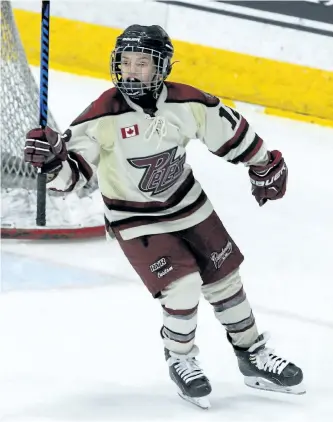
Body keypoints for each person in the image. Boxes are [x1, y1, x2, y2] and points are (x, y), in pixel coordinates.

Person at [24, 24, 305, 408]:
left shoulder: (187, 102)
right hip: (134, 217)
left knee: (225, 280)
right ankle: (181, 358)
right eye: (126, 62)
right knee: (183, 286)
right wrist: (53, 159)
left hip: (189, 204)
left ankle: (252, 355)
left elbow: (229, 131)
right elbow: (70, 178)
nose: (132, 70)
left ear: (162, 68)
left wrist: (262, 164)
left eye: (143, 62)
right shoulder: (103, 113)